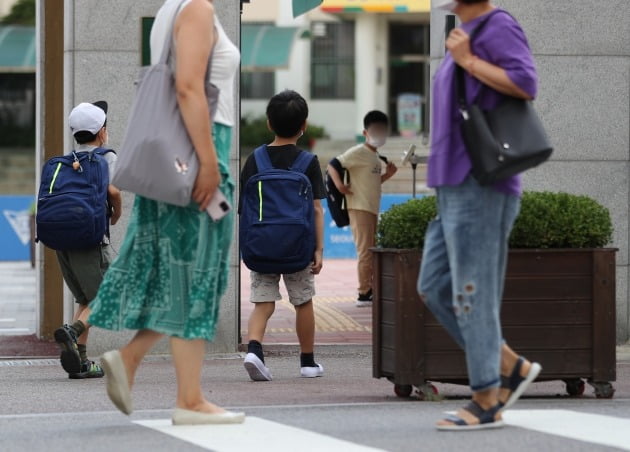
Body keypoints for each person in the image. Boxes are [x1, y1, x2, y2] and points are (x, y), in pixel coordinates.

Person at [87, 0, 244, 425]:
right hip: (195, 153)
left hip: (174, 158)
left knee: (179, 274)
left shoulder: (170, 10)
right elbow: (189, 87)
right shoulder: (196, 8)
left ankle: (135, 362)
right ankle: (188, 399)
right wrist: (210, 163)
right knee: (196, 274)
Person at [418, 0, 542, 431]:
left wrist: (469, 60)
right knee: (433, 286)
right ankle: (509, 365)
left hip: (481, 184)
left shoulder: (497, 26)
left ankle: (486, 396)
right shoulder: (463, 32)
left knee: (473, 292)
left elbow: (526, 82)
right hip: (452, 185)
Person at [240, 90, 326, 382]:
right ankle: (308, 363)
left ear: (268, 123)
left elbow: (245, 209)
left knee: (263, 302)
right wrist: (319, 249)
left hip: (262, 243)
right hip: (298, 246)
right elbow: (316, 210)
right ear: (304, 125)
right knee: (303, 301)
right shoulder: (308, 162)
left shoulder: (255, 159)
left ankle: (254, 350)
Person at [53, 101, 121, 379]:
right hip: (91, 239)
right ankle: (72, 331)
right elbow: (113, 192)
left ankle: (80, 361)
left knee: (86, 299)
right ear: (102, 132)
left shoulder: (66, 160)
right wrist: (116, 214)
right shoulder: (107, 157)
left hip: (62, 239)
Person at [327, 111, 398, 307]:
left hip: (370, 207)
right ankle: (363, 292)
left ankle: (369, 289)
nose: (380, 134)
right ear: (365, 132)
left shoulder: (375, 156)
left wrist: (388, 174)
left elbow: (373, 182)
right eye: (376, 130)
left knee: (370, 250)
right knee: (366, 251)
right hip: (359, 207)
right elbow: (333, 165)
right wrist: (340, 186)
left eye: (383, 130)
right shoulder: (358, 152)